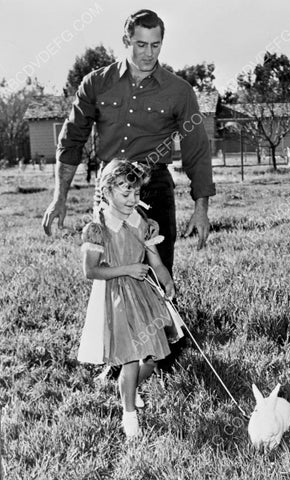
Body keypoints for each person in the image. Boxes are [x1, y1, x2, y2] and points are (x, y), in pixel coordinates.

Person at [42, 8, 215, 373]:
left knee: (155, 270)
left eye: (155, 45)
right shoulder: (96, 83)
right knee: (111, 274)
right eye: (140, 44)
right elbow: (71, 140)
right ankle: (119, 357)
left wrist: (201, 208)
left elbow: (197, 148)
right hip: (107, 194)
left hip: (153, 189)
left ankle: (161, 352)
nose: (148, 53)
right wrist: (59, 198)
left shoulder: (179, 91)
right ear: (126, 42)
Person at [78, 159, 180, 438]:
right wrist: (127, 270)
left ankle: (128, 387)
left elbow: (155, 260)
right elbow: (91, 271)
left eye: (137, 194)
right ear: (108, 191)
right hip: (116, 296)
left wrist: (166, 279)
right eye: (126, 194)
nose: (133, 199)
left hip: (144, 295)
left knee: (152, 359)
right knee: (131, 358)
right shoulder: (98, 228)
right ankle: (129, 414)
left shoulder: (141, 222)